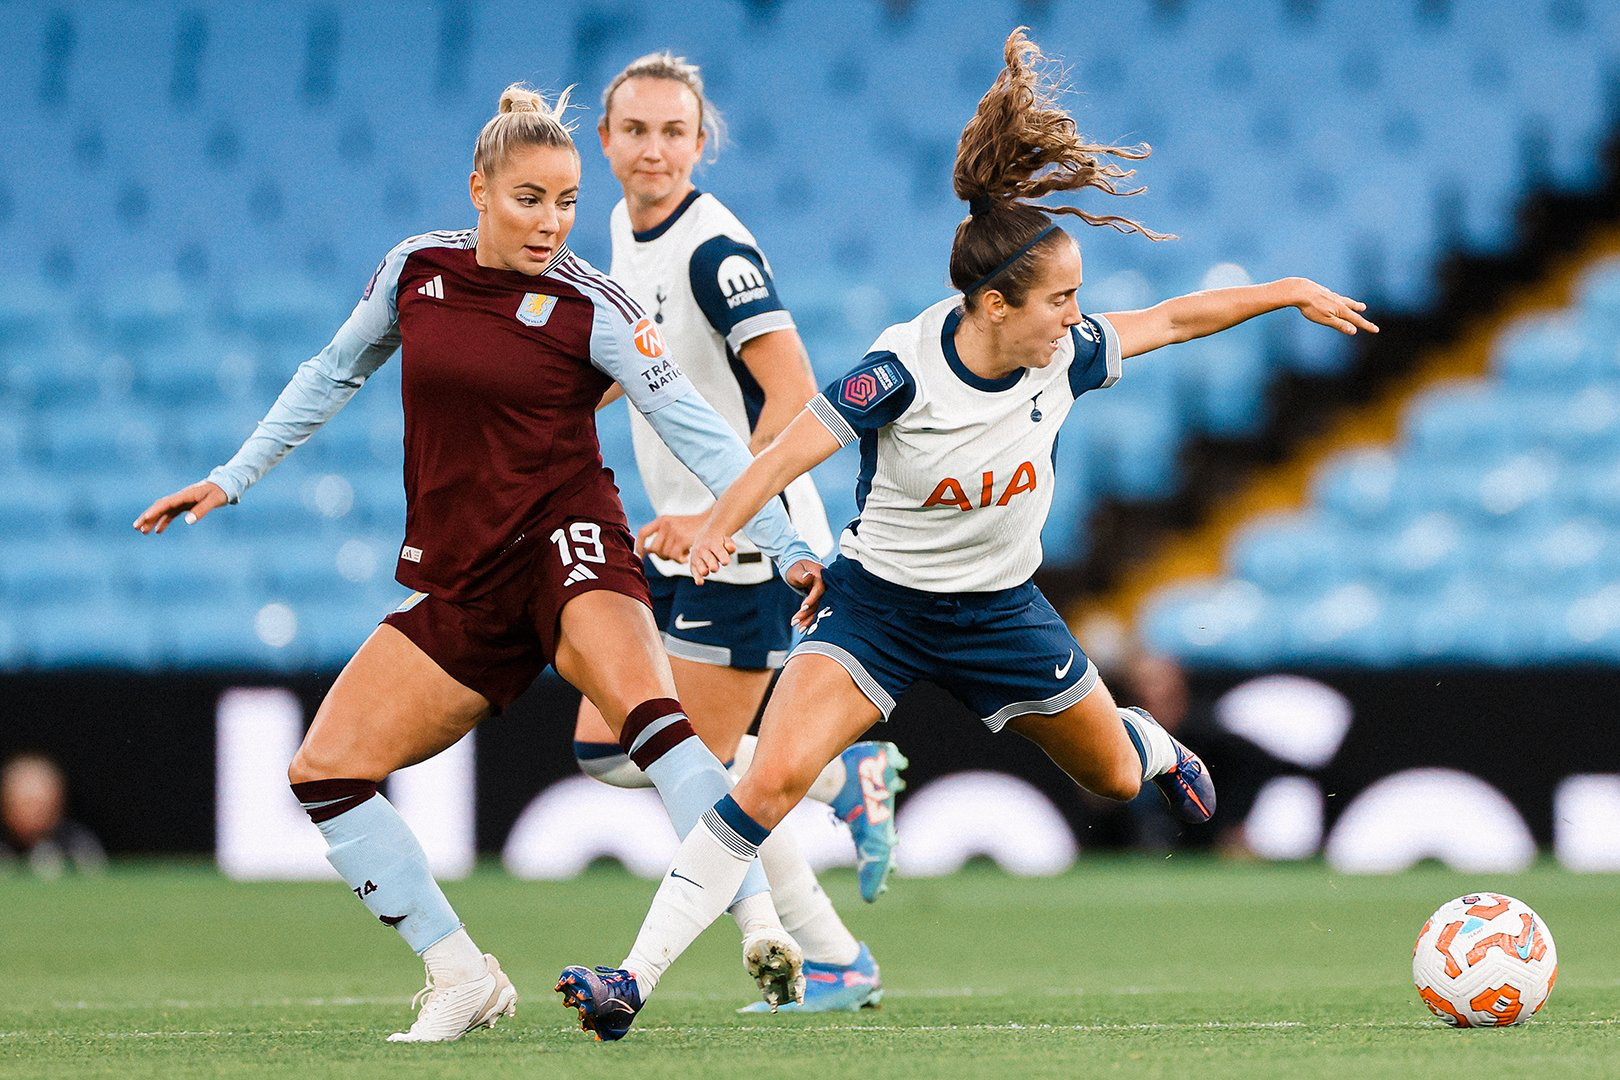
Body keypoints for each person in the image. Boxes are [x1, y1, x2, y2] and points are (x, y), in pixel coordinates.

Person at [556, 27, 1377, 1040]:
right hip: (878, 612)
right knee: (765, 779)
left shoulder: (1061, 357)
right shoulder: (898, 371)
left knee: (1113, 778)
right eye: (1060, 300)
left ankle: (1153, 741)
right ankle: (629, 981)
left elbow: (1169, 319)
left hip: (1002, 615)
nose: (1077, 318)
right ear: (993, 305)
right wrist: (721, 528)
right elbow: (781, 452)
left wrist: (1287, 290)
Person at [134, 83, 826, 1042]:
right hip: (464, 571)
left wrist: (785, 541)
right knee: (325, 771)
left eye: (569, 201)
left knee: (652, 722)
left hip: (566, 539)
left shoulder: (597, 307)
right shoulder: (415, 271)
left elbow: (705, 434)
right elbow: (332, 372)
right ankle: (462, 975)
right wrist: (232, 476)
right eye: (529, 199)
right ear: (479, 189)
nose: (552, 223)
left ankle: (754, 918)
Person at [568, 52, 903, 1013]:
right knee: (625, 747)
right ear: (606, 141)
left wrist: (719, 516)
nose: (655, 149)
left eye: (675, 132)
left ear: (701, 140)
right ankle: (844, 783)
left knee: (669, 765)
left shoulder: (716, 251)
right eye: (636, 130)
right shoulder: (623, 237)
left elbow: (797, 395)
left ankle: (831, 935)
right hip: (693, 538)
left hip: (750, 544)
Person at [0, 753, 106, 877]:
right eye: (26, 804)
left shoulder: (77, 846)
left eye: (42, 805)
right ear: (6, 805)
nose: (35, 813)